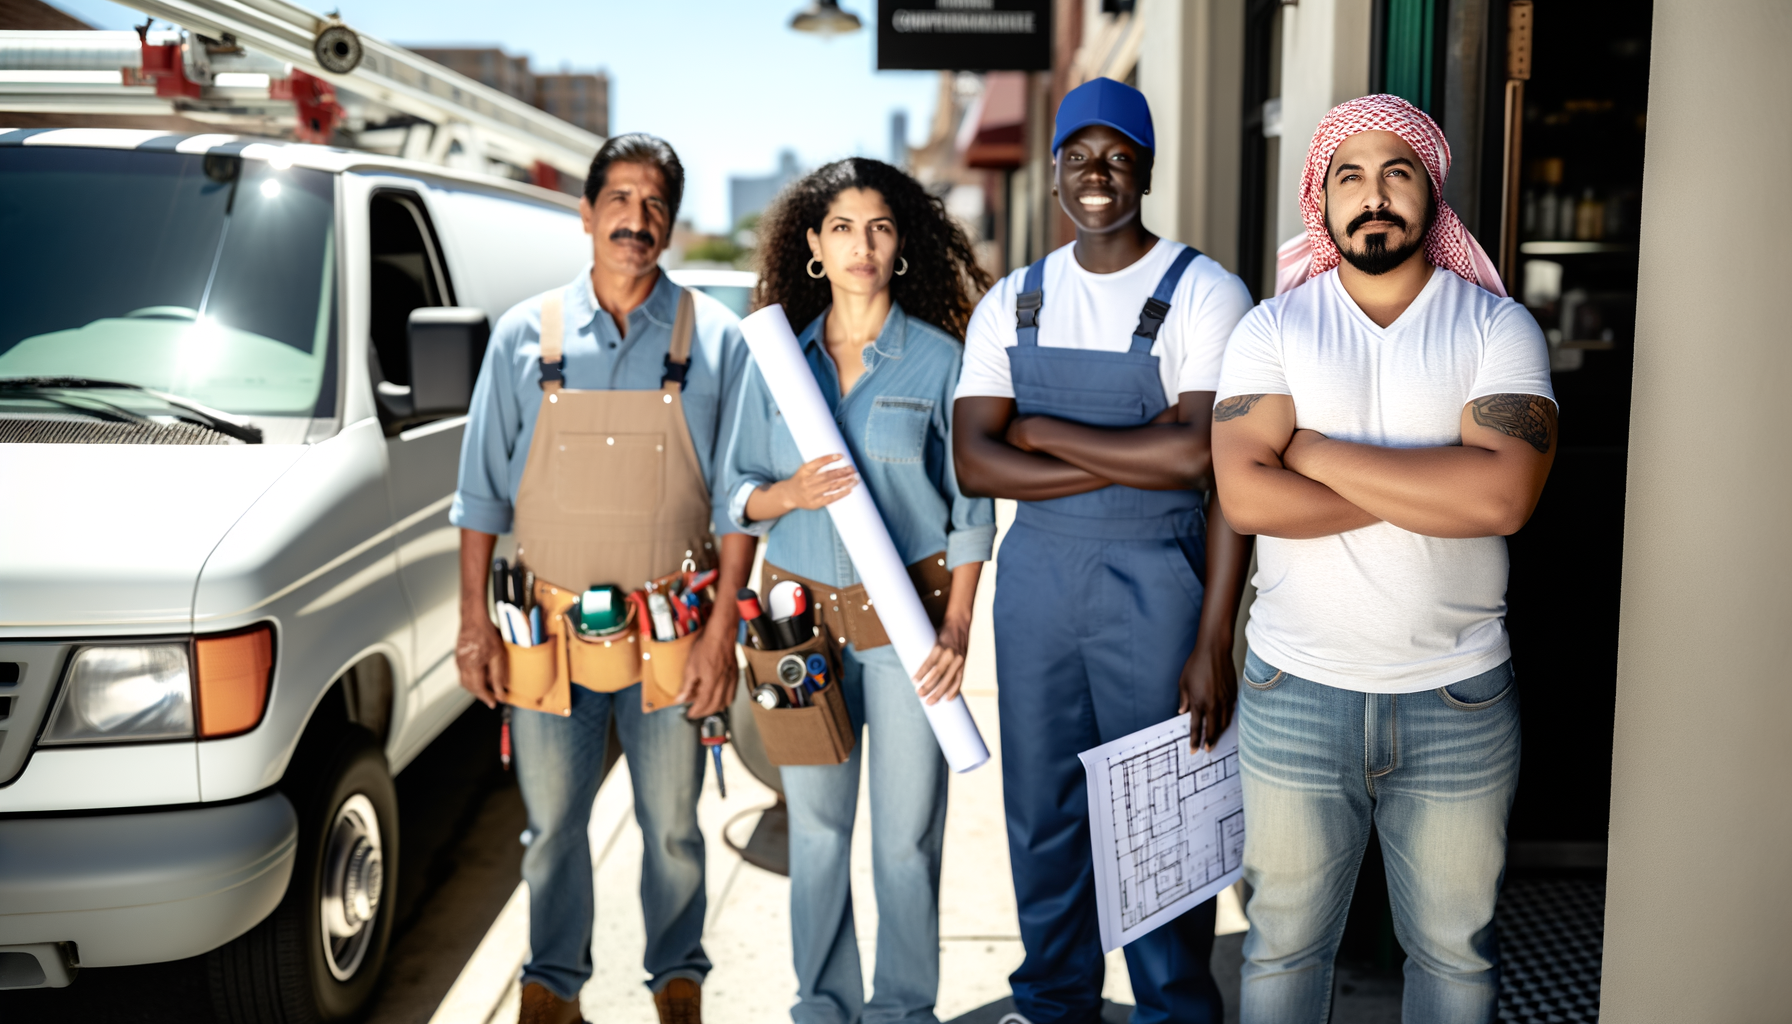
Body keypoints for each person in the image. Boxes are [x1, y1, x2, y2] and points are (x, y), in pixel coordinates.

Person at [1211, 94, 1555, 1023]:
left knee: (1454, 958)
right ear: (1318, 199)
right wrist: (1428, 481)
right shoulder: (1272, 329)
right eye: (1350, 175)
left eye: (1397, 173)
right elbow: (1246, 500)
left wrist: (1311, 450)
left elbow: (1501, 498)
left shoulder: (1497, 327)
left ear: (1431, 195)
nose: (1374, 195)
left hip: (1459, 697)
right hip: (1296, 692)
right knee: (1281, 950)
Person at [952, 78, 1256, 1024]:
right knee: (1043, 810)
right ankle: (1053, 1002)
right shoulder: (1013, 300)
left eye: (1118, 157)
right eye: (1078, 157)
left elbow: (1202, 461)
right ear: (1052, 173)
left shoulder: (1206, 291)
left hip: (1160, 583)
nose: (1098, 175)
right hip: (1037, 583)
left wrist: (1038, 430)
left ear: (1147, 171)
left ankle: (1174, 1009)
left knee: (1165, 810)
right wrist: (1141, 458)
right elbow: (973, 462)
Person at [451, 134, 756, 1024]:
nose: (636, 219)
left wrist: (721, 632)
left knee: (673, 829)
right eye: (619, 200)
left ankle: (677, 982)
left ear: (672, 222)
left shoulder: (716, 339)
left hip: (675, 635)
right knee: (552, 831)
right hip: (543, 638)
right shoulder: (524, 336)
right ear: (586, 215)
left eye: (655, 203)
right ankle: (552, 986)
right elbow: (477, 498)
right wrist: (475, 624)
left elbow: (738, 504)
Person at [720, 157, 997, 1024]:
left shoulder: (940, 360)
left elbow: (970, 512)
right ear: (813, 244)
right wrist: (789, 493)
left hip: (907, 629)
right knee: (818, 833)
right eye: (842, 228)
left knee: (906, 843)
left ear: (901, 240)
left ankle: (903, 1012)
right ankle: (823, 1008)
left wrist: (956, 630)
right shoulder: (774, 360)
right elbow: (736, 492)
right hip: (799, 631)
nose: (862, 245)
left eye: (879, 227)